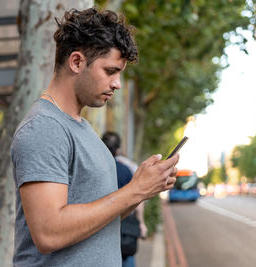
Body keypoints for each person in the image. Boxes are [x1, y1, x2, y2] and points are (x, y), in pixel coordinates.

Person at [10, 8, 179, 267]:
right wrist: (134, 190)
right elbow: (48, 232)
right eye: (110, 71)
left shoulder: (84, 128)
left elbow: (101, 217)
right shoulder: (44, 128)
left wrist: (143, 190)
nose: (117, 84)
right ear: (77, 62)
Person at [102, 131, 147, 267]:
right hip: (124, 227)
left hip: (98, 226)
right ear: (119, 150)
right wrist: (141, 223)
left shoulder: (94, 168)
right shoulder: (126, 169)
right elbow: (137, 199)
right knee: (126, 259)